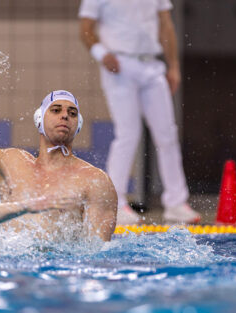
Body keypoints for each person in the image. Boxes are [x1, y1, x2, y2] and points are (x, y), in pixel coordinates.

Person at [0, 58, 117, 241]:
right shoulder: (11, 163)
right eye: (56, 110)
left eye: (72, 113)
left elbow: (96, 252)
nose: (65, 116)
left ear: (78, 124)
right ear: (39, 120)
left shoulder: (95, 181)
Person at [78, 0, 201, 225]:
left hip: (152, 66)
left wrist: (173, 66)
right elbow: (85, 28)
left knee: (167, 134)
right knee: (128, 133)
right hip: (119, 65)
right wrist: (102, 54)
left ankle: (176, 203)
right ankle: (114, 202)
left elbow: (166, 25)